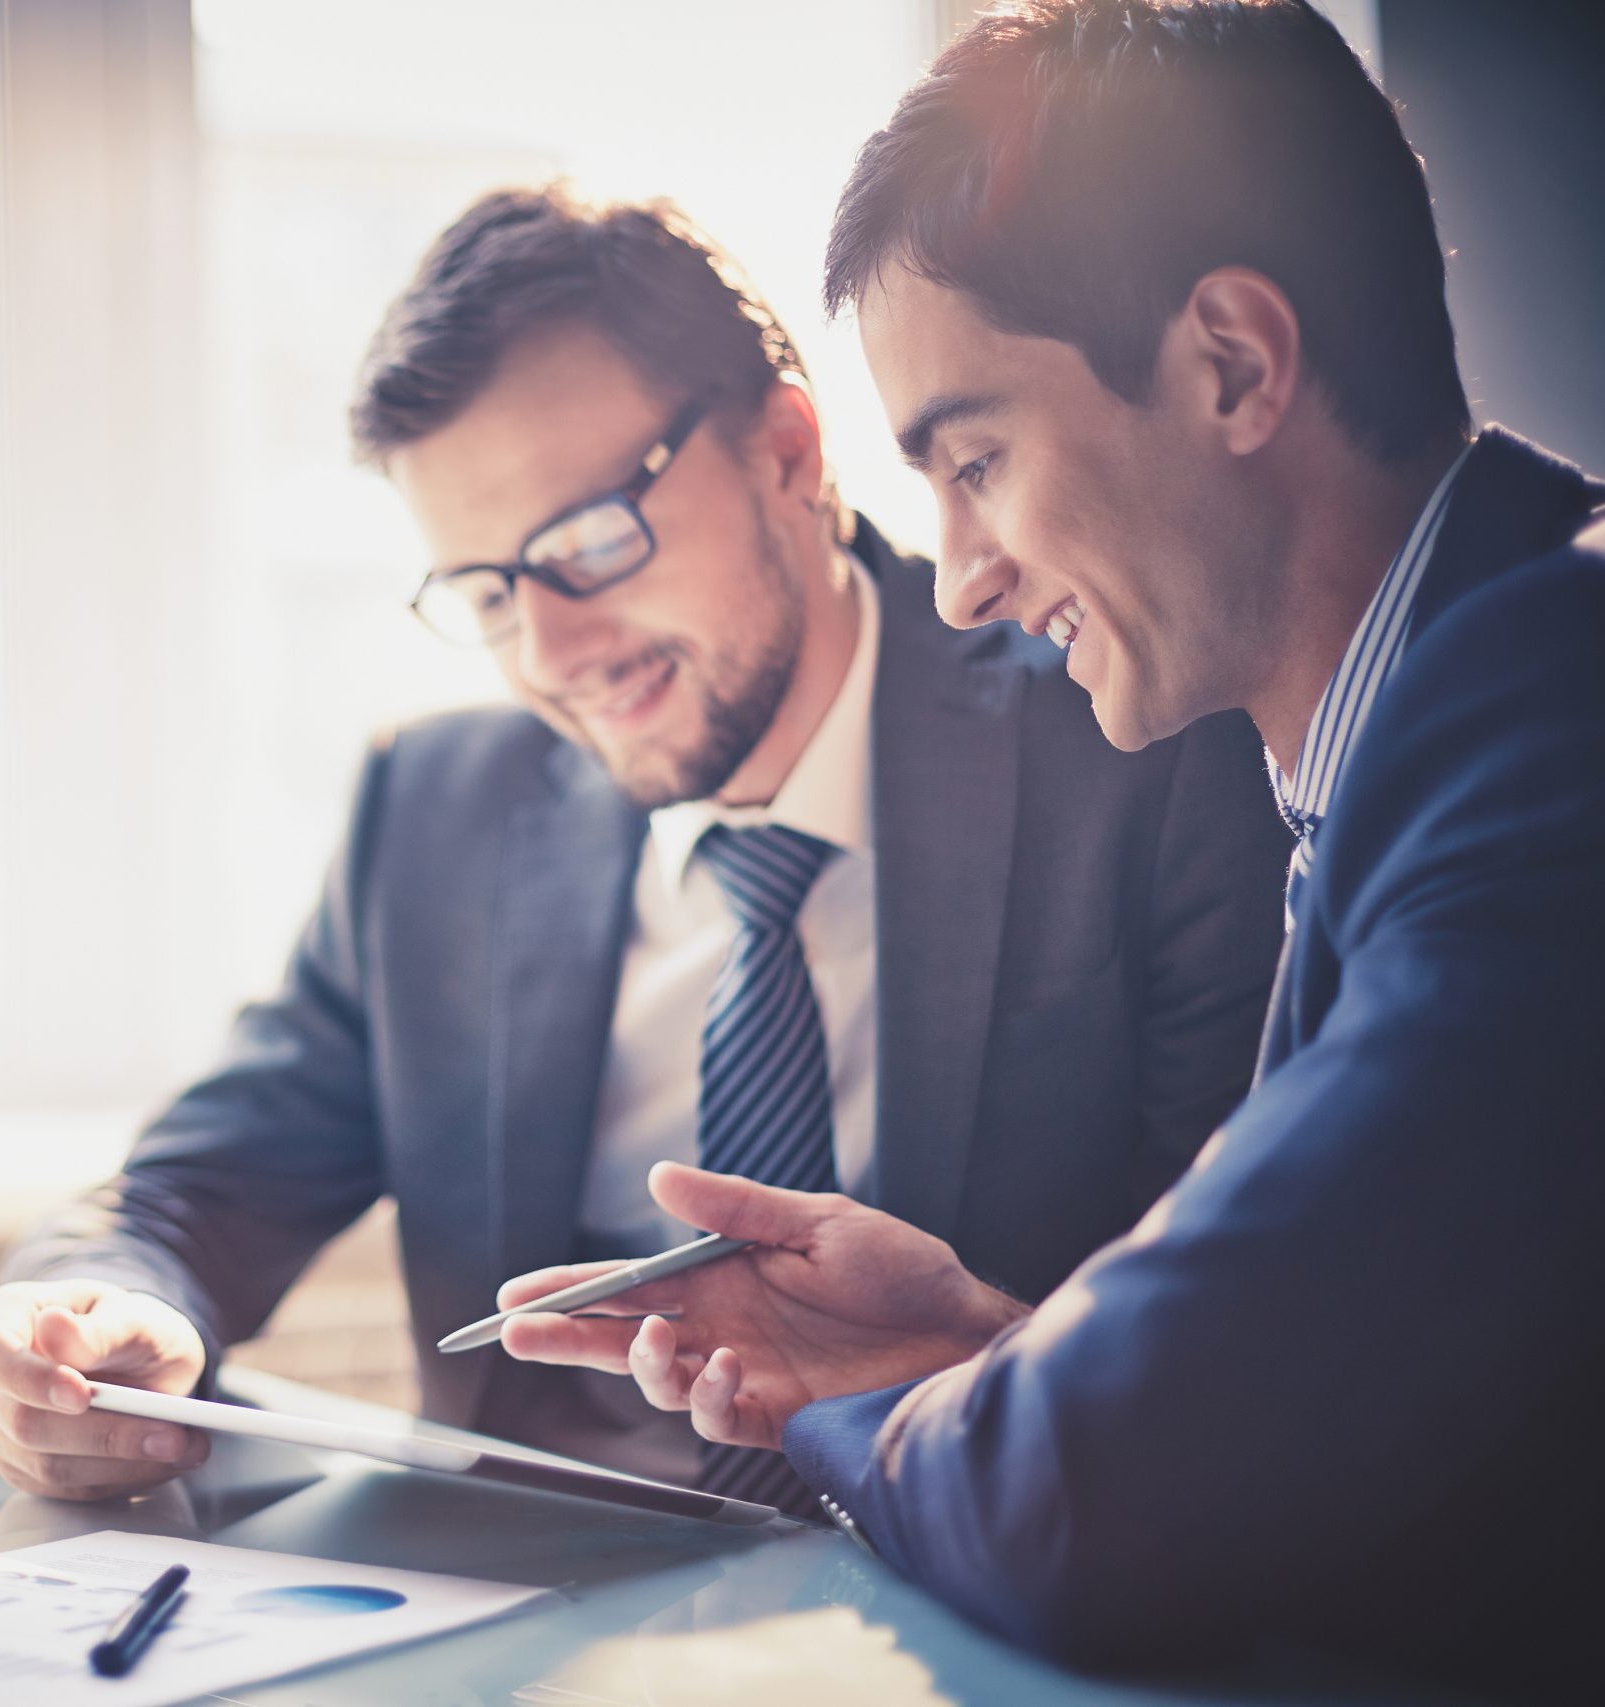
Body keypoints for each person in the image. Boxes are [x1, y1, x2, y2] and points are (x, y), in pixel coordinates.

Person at [497, 5, 1605, 1696]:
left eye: (980, 461)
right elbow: (1335, 1417)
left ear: (1234, 363)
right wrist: (981, 1346)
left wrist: (887, 1407)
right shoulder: (1421, 723)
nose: (961, 581)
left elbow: (1100, 1501)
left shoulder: (1546, 727)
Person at [0, 186, 1289, 1517]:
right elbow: (193, 1189)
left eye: (589, 542)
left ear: (785, 452)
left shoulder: (1134, 740)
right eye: (485, 592)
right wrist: (89, 1315)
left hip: (964, 1576)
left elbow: (1235, 1335)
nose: (550, 653)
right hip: (524, 1619)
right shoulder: (433, 812)